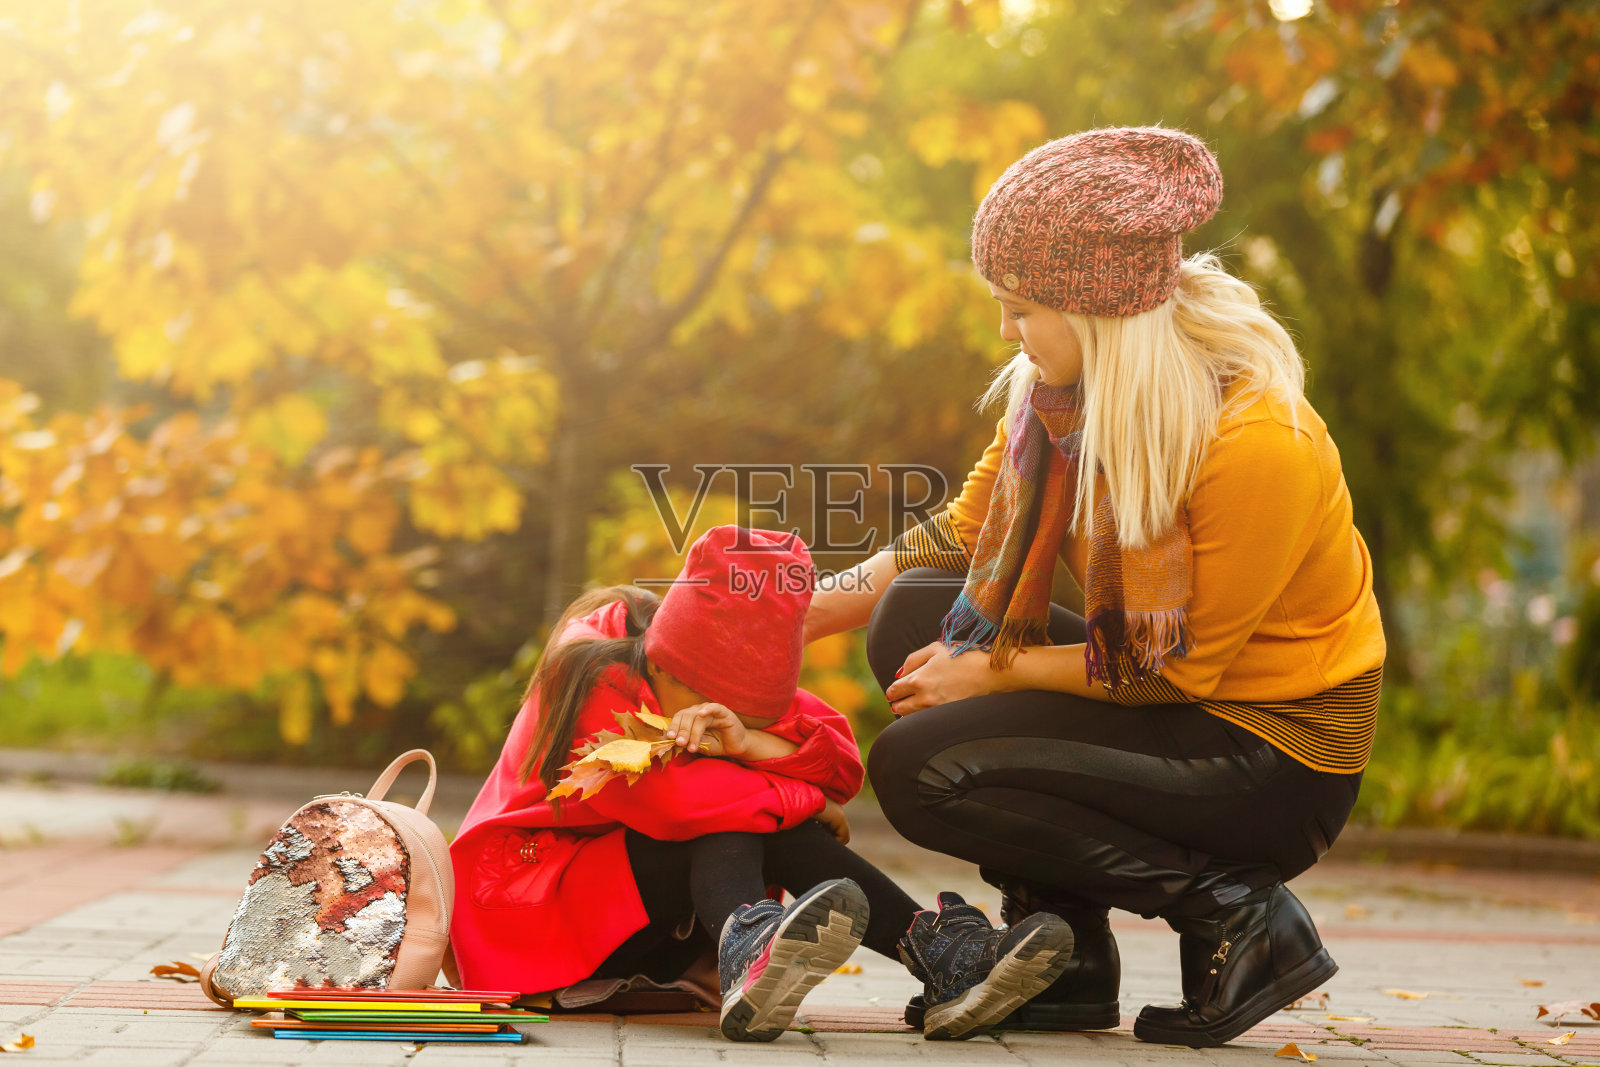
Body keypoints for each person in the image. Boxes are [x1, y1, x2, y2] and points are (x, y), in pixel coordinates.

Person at [802, 127, 1386, 1048]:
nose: (1007, 331)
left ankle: (1237, 913)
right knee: (914, 609)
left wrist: (997, 672)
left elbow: (1181, 670)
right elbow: (961, 538)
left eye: (1021, 307)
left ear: (1098, 307)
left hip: (1275, 753)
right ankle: (1069, 957)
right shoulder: (1059, 399)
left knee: (924, 771)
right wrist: (792, 604)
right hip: (1168, 700)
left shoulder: (1257, 438)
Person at [448, 524, 1073, 1042]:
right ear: (672, 668)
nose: (727, 728)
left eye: (750, 721)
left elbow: (840, 763)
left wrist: (753, 746)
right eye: (729, 718)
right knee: (725, 806)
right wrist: (804, 799)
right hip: (534, 921)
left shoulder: (711, 672)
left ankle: (935, 958)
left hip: (650, 926)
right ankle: (768, 946)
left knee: (739, 799)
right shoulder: (591, 676)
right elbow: (676, 807)